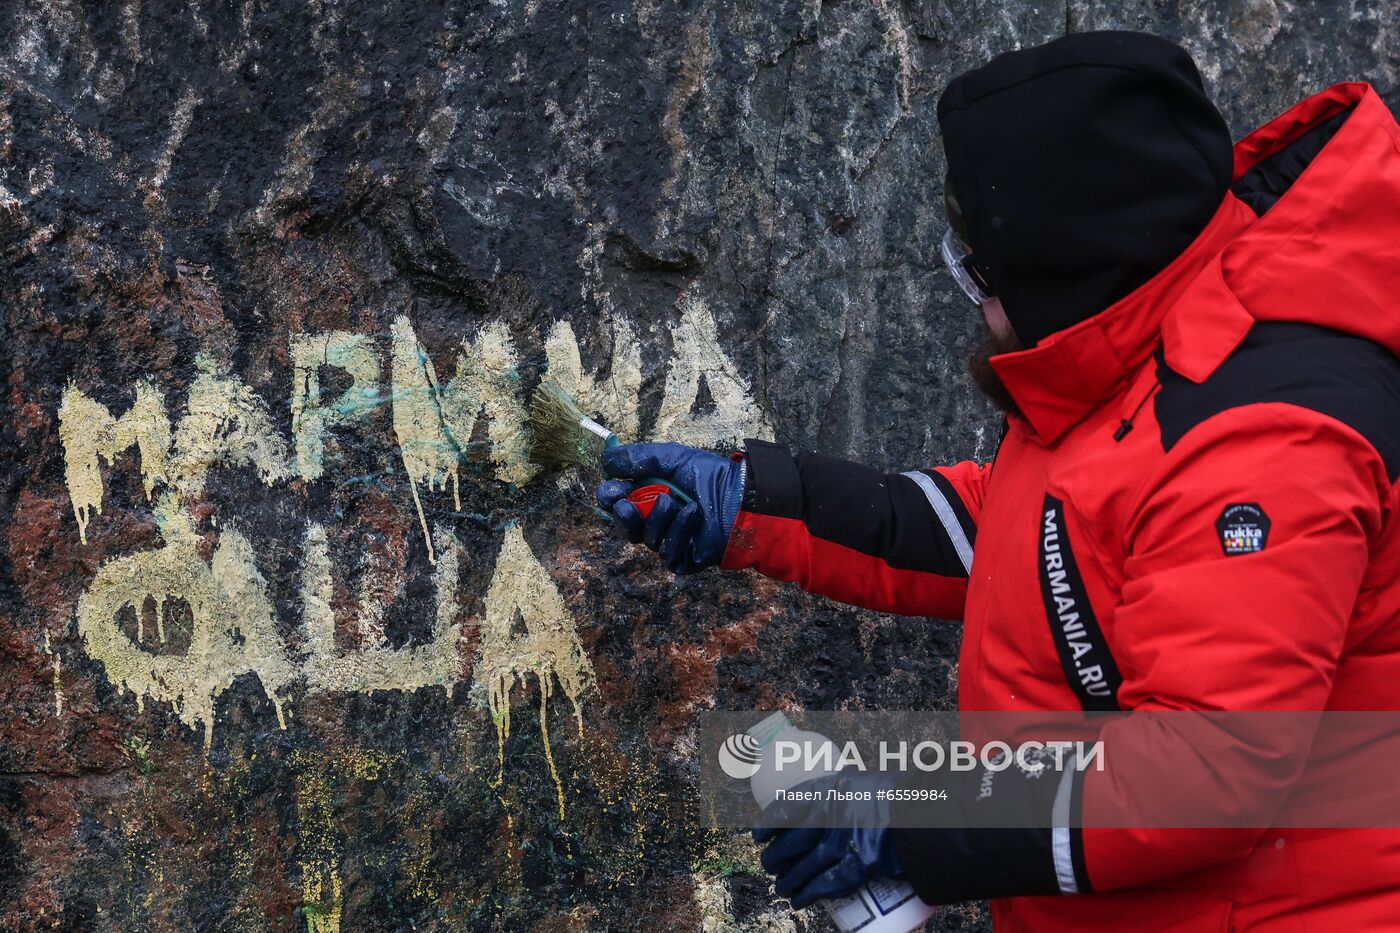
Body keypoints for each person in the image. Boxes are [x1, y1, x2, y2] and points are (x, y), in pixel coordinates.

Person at [595, 30, 1400, 931]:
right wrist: (759, 504)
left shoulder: (1262, 434)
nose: (976, 301)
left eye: (982, 271)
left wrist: (917, 812)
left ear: (1074, 265)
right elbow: (1032, 535)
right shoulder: (1151, 353)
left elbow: (1209, 769)